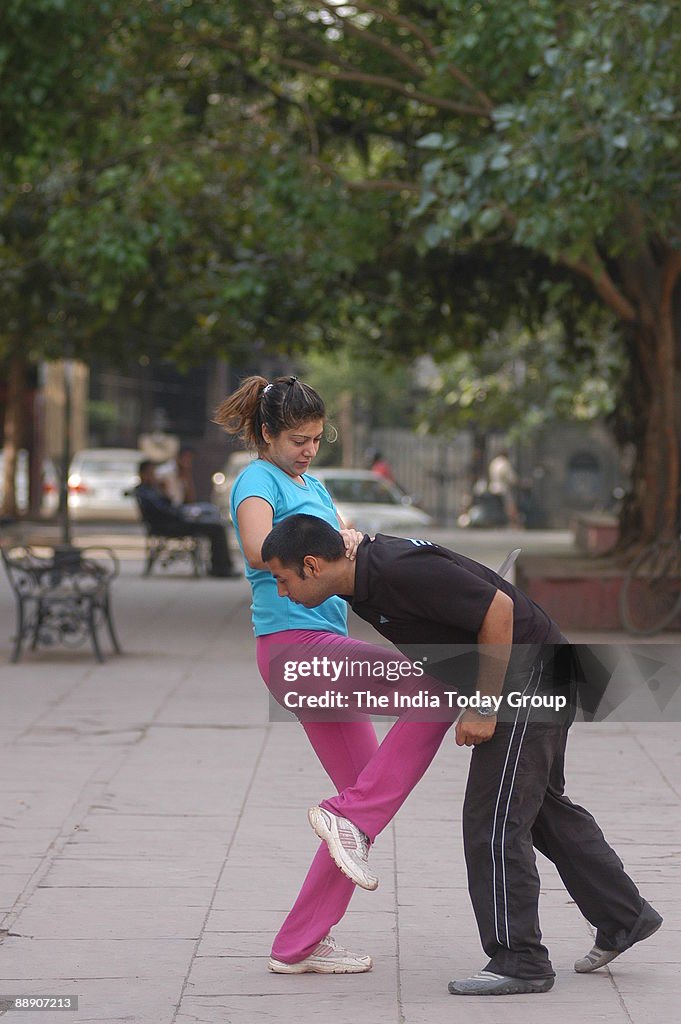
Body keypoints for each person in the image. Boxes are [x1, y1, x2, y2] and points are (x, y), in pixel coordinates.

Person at [260, 514, 663, 996]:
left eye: (282, 580)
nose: (281, 594)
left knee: (493, 819)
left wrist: (484, 704)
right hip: (532, 671)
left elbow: (498, 610)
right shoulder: (358, 572)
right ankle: (625, 917)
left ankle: (521, 961)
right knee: (542, 812)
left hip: (527, 677)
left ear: (311, 565)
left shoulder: (395, 569)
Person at [213, 376, 455, 975]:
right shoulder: (256, 480)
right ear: (267, 433)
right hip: (296, 647)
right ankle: (349, 819)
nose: (307, 449)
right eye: (297, 438)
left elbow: (343, 548)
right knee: (442, 683)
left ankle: (297, 944)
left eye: (317, 439)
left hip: (327, 646)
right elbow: (254, 549)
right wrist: (326, 540)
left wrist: (347, 539)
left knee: (358, 813)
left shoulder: (312, 484)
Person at [134, 460, 240, 578]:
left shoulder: (152, 489)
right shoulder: (145, 491)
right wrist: (182, 514)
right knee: (217, 528)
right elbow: (164, 510)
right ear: (143, 474)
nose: (154, 476)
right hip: (169, 526)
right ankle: (221, 568)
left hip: (173, 522)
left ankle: (221, 565)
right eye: (151, 473)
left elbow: (169, 504)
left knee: (212, 518)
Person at [488, 448, 520, 526]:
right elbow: (510, 477)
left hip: (493, 487)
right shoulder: (504, 463)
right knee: (510, 505)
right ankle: (514, 522)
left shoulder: (494, 462)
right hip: (502, 488)